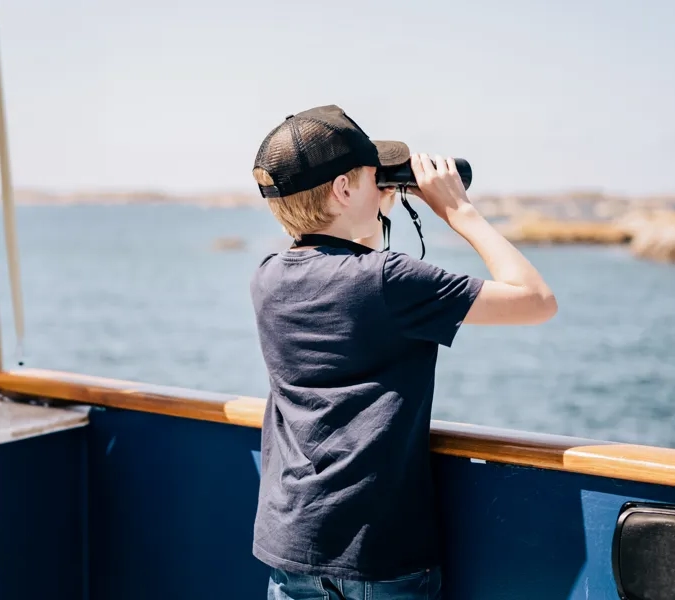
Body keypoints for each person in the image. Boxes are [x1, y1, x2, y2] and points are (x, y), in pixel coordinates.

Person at [249, 105, 557, 600]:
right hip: (377, 553)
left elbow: (337, 259)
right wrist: (459, 210)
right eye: (376, 178)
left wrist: (367, 204)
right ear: (344, 189)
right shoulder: (390, 280)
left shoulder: (267, 277)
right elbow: (537, 300)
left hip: (293, 545)